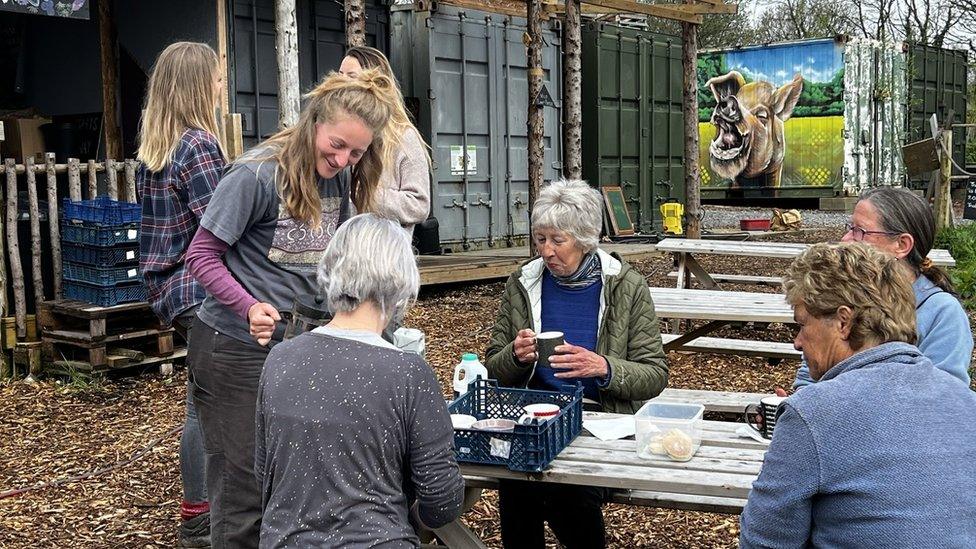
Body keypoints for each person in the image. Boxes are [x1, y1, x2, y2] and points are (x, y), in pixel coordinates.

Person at [184, 69, 401, 548]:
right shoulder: (256, 174)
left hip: (296, 348)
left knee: (287, 478)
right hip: (234, 348)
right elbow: (200, 255)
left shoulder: (339, 180)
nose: (343, 159)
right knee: (242, 487)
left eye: (357, 152)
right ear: (314, 122)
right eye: (337, 144)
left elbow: (329, 265)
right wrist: (247, 306)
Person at [740, 242, 976, 547]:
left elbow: (765, 541)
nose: (797, 342)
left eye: (801, 324)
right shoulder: (965, 402)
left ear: (843, 321)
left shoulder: (814, 412)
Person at [255, 213, 464, 548]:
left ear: (331, 270)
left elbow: (264, 476)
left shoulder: (280, 357)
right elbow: (442, 499)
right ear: (401, 280)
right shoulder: (408, 373)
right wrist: (411, 518)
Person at [484, 179, 668, 548]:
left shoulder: (626, 286)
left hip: (599, 424)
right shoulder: (524, 282)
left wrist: (604, 368)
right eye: (540, 239)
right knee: (517, 484)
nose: (547, 251)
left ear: (584, 239)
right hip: (532, 420)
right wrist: (516, 358)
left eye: (557, 240)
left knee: (568, 489)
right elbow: (492, 366)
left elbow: (655, 373)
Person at [135, 41, 226, 548]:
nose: (220, 88)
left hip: (170, 288)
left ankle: (200, 513)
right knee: (208, 406)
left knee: (199, 403)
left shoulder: (158, 145)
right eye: (214, 80)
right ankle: (203, 519)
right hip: (202, 289)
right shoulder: (198, 146)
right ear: (197, 86)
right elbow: (223, 228)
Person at [791, 187, 972, 391]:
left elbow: (945, 399)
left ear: (902, 244)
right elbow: (809, 376)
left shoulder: (942, 313)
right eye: (850, 228)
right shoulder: (845, 294)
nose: (846, 239)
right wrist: (795, 409)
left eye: (860, 231)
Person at [339, 46, 431, 235]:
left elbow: (419, 205)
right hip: (343, 256)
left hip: (386, 258)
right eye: (339, 75)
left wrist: (365, 195)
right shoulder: (333, 132)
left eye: (351, 76)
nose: (341, 83)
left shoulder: (403, 137)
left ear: (377, 83)